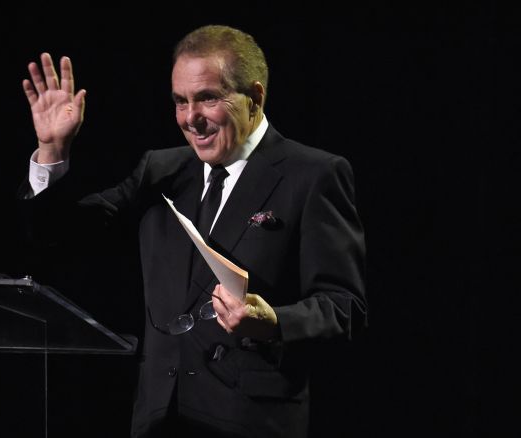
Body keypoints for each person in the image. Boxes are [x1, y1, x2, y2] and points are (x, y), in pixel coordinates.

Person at [19, 25, 366, 438]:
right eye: (180, 102)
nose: (190, 119)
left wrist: (274, 322)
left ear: (255, 97)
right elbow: (60, 237)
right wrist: (53, 152)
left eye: (207, 98)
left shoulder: (312, 175)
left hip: (249, 421)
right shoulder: (161, 171)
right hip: (160, 420)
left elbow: (344, 308)